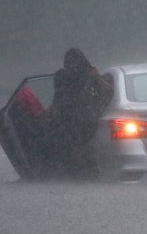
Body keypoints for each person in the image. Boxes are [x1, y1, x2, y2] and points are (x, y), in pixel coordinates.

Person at [42, 48, 113, 179]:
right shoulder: (86, 74)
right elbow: (108, 91)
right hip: (81, 119)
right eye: (70, 62)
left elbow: (57, 98)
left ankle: (76, 174)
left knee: (73, 149)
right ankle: (84, 174)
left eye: (73, 62)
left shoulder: (62, 75)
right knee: (80, 149)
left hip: (72, 120)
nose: (72, 65)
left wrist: (50, 112)